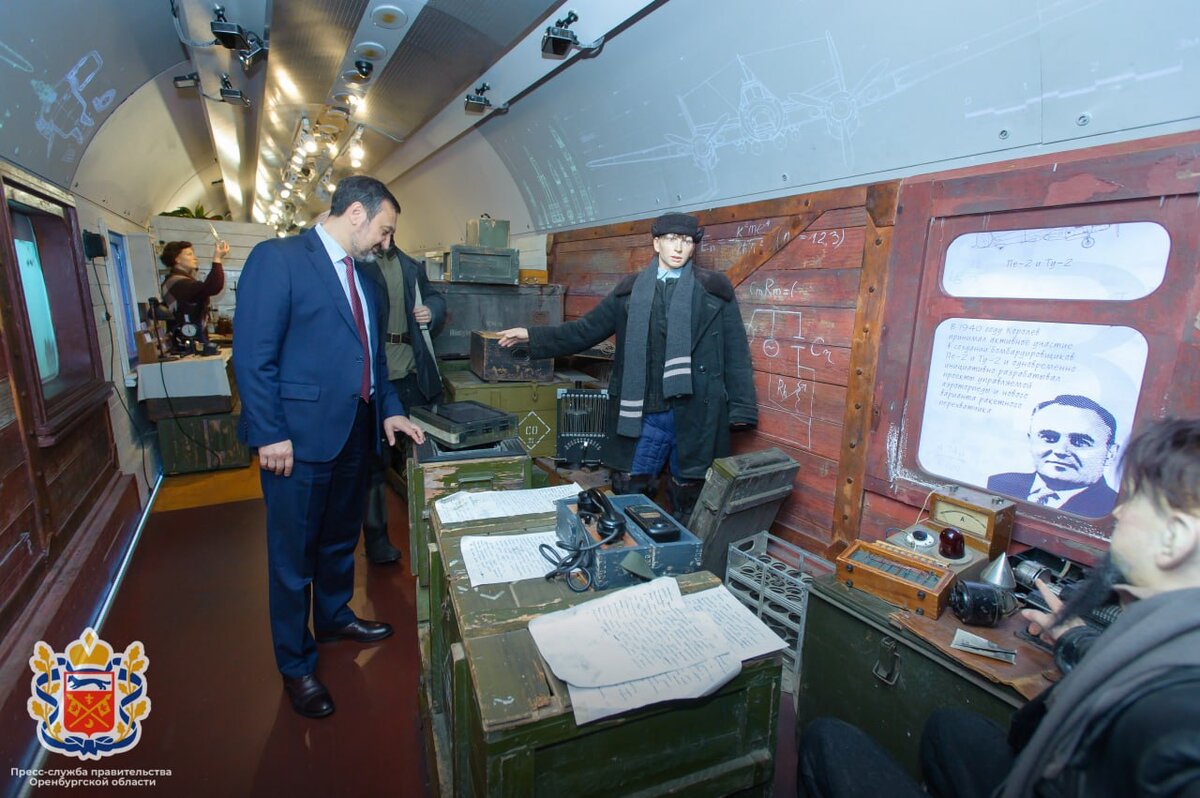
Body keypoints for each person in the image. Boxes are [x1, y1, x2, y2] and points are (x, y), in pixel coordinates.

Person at [797, 417, 1200, 798]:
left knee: (827, 740)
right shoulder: (1173, 637)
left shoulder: (1165, 725)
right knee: (947, 726)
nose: (1120, 513)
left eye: (1134, 501)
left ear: (1175, 538)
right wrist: (1075, 638)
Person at [232, 176, 425, 719]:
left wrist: (389, 407)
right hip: (294, 440)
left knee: (340, 541)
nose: (387, 243)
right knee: (292, 560)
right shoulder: (279, 259)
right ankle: (296, 665)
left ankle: (335, 615)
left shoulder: (365, 279)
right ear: (358, 215)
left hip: (353, 434)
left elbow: (373, 359)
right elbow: (253, 355)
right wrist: (269, 431)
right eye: (385, 230)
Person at [497, 212, 756, 522]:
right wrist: (531, 336)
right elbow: (585, 331)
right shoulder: (630, 291)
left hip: (697, 411)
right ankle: (633, 559)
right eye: (672, 240)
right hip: (644, 412)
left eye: (686, 242)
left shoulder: (714, 290)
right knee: (631, 490)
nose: (679, 248)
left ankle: (682, 561)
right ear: (656, 243)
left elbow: (736, 352)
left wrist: (742, 409)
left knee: (691, 495)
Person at [357, 243, 446, 564]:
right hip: (376, 377)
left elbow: (435, 296)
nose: (386, 236)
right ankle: (377, 540)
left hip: (412, 373)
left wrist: (432, 311)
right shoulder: (356, 263)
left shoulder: (410, 265)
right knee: (374, 465)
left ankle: (433, 533)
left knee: (424, 455)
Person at [988, 394, 1120, 518]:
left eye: (1080, 442)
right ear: (1031, 440)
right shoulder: (999, 484)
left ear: (1110, 453)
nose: (1060, 451)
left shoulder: (1113, 509)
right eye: (1049, 438)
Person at [160, 238, 228, 352]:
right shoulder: (177, 283)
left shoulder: (177, 280)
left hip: (190, 340)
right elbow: (212, 286)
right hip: (186, 345)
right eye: (189, 254)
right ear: (177, 259)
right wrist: (217, 258)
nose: (194, 258)